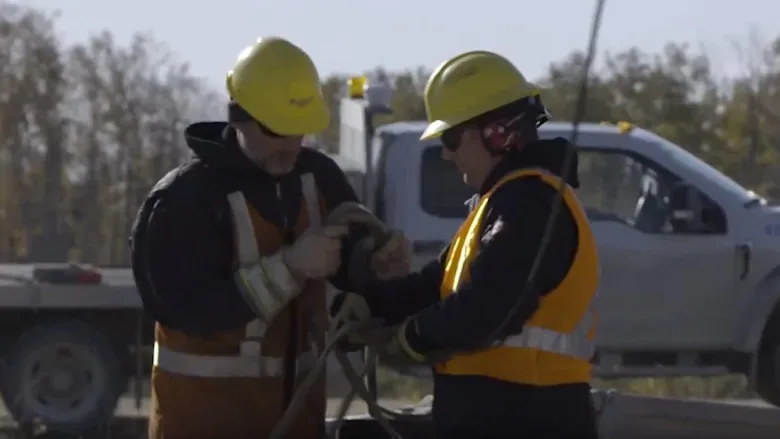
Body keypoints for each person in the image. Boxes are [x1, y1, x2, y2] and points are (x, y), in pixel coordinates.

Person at [130, 36, 410, 439]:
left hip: (298, 425)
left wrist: (374, 262)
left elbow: (352, 258)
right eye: (279, 130)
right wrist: (292, 267)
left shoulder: (319, 178)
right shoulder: (184, 201)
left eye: (300, 131)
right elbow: (190, 310)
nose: (292, 145)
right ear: (239, 117)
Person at [332, 50, 601, 438]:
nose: (446, 152)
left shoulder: (530, 205)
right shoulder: (503, 203)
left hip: (527, 418)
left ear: (498, 133)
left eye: (452, 137)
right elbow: (434, 285)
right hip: (500, 415)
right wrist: (371, 304)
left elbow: (488, 307)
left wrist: (409, 338)